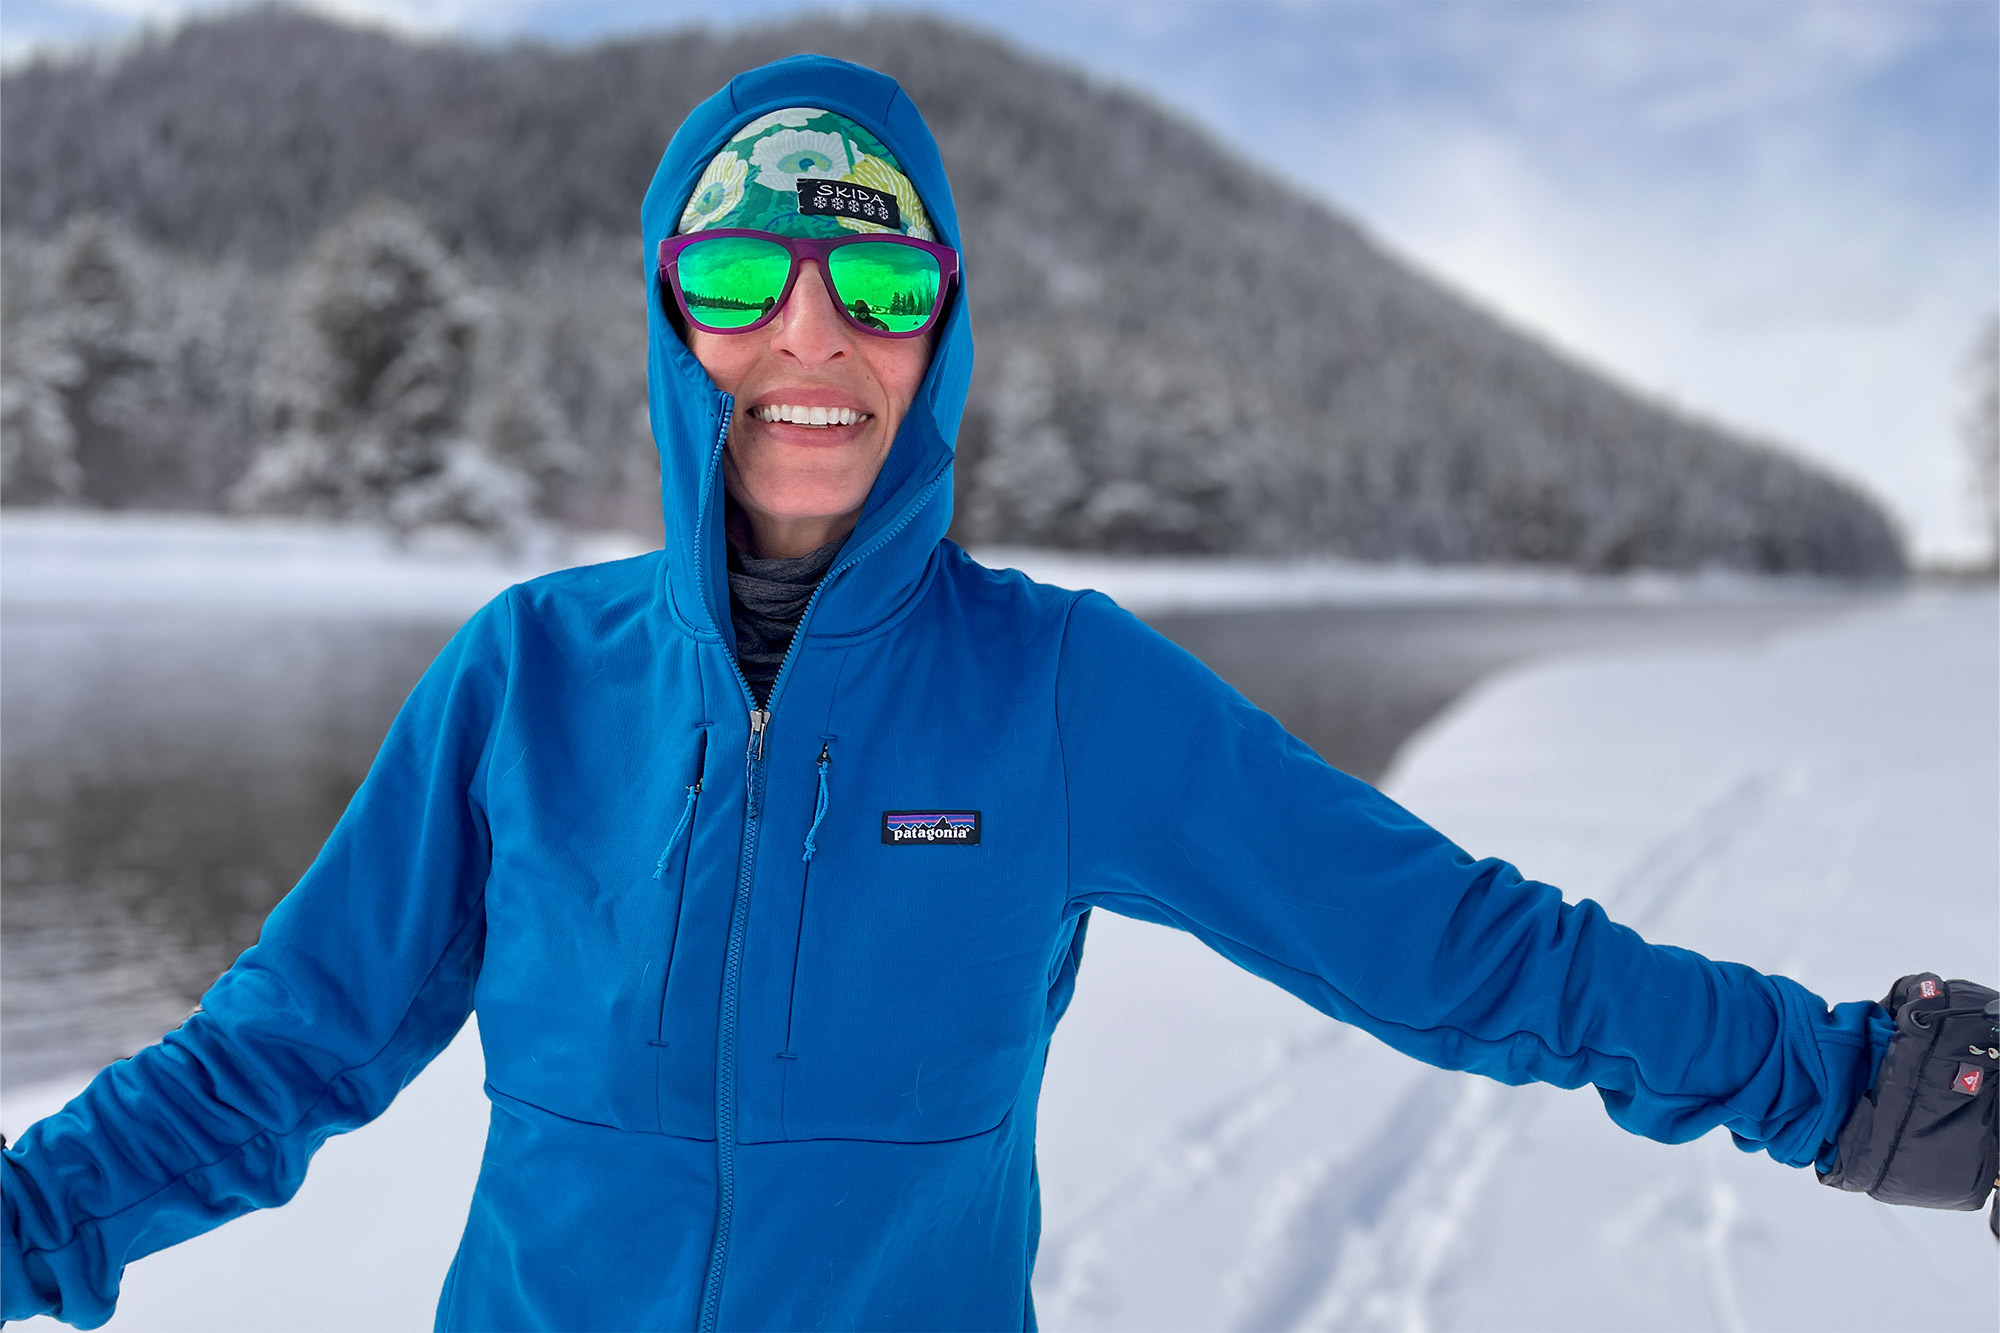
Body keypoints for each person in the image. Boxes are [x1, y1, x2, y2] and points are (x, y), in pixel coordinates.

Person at [3, 54, 1994, 1333]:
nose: (809, 335)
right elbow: (272, 1060)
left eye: (874, 284)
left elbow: (1457, 947)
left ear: (937, 332)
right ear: (666, 315)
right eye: (742, 273)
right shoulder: (522, 676)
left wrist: (1837, 1082)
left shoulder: (1057, 687)